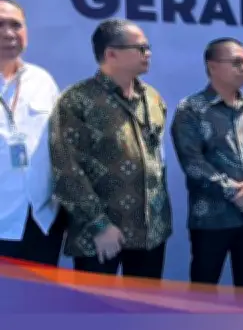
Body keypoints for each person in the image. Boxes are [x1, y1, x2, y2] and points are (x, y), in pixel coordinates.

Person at [50, 18, 171, 279]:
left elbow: (158, 158)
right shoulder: (77, 100)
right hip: (100, 236)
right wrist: (99, 225)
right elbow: (66, 169)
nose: (148, 54)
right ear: (111, 54)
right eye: (140, 48)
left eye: (148, 48)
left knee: (144, 304)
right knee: (97, 304)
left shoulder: (152, 98)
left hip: (150, 233)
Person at [171, 38, 243, 289]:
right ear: (212, 66)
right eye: (236, 63)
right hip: (211, 219)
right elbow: (192, 162)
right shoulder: (191, 109)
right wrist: (234, 192)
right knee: (204, 292)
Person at [0, 0, 65, 266]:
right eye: (0, 25)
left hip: (40, 220)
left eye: (16, 25)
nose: (8, 33)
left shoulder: (42, 80)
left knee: (39, 293)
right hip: (2, 218)